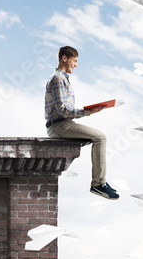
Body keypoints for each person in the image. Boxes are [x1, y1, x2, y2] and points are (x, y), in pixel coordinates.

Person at [44, 46, 119, 200]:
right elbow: (63, 110)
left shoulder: (62, 79)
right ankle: (98, 184)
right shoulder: (58, 79)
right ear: (65, 58)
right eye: (75, 60)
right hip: (60, 125)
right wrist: (88, 112)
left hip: (62, 124)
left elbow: (65, 109)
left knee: (96, 138)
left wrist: (90, 110)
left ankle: (100, 182)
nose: (76, 65)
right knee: (101, 138)